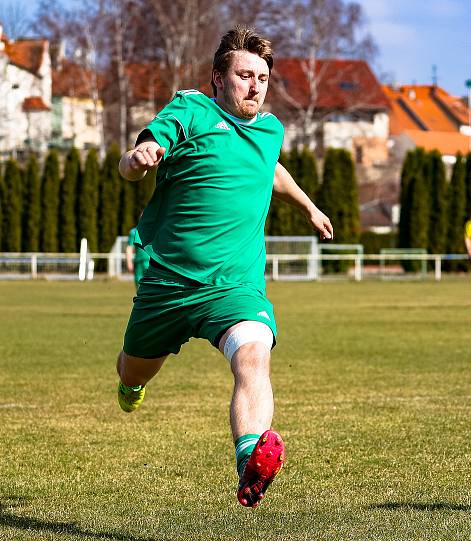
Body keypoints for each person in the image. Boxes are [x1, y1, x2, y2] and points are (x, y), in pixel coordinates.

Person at [116, 26, 333, 509]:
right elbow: (131, 162)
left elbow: (270, 168)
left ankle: (250, 463)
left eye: (262, 76)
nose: (254, 85)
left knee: (253, 356)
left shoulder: (270, 129)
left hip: (234, 287)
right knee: (133, 371)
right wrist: (137, 158)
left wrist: (309, 208)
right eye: (243, 75)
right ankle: (130, 385)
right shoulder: (190, 111)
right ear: (218, 77)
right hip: (168, 283)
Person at [125, 224, 150, 290]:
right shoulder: (134, 232)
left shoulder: (154, 230)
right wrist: (129, 262)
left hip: (151, 262)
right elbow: (129, 248)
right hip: (139, 263)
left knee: (152, 286)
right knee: (139, 286)